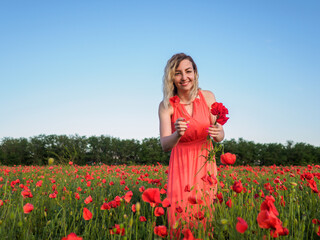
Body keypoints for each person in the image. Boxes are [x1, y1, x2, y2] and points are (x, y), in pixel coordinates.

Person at [158, 53, 225, 231]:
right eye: (178, 73)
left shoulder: (208, 97)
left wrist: (219, 132)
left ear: (195, 73)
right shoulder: (167, 105)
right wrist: (177, 134)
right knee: (180, 214)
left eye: (188, 71)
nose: (184, 77)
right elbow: (165, 145)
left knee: (205, 214)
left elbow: (219, 136)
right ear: (171, 77)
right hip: (181, 164)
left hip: (205, 162)